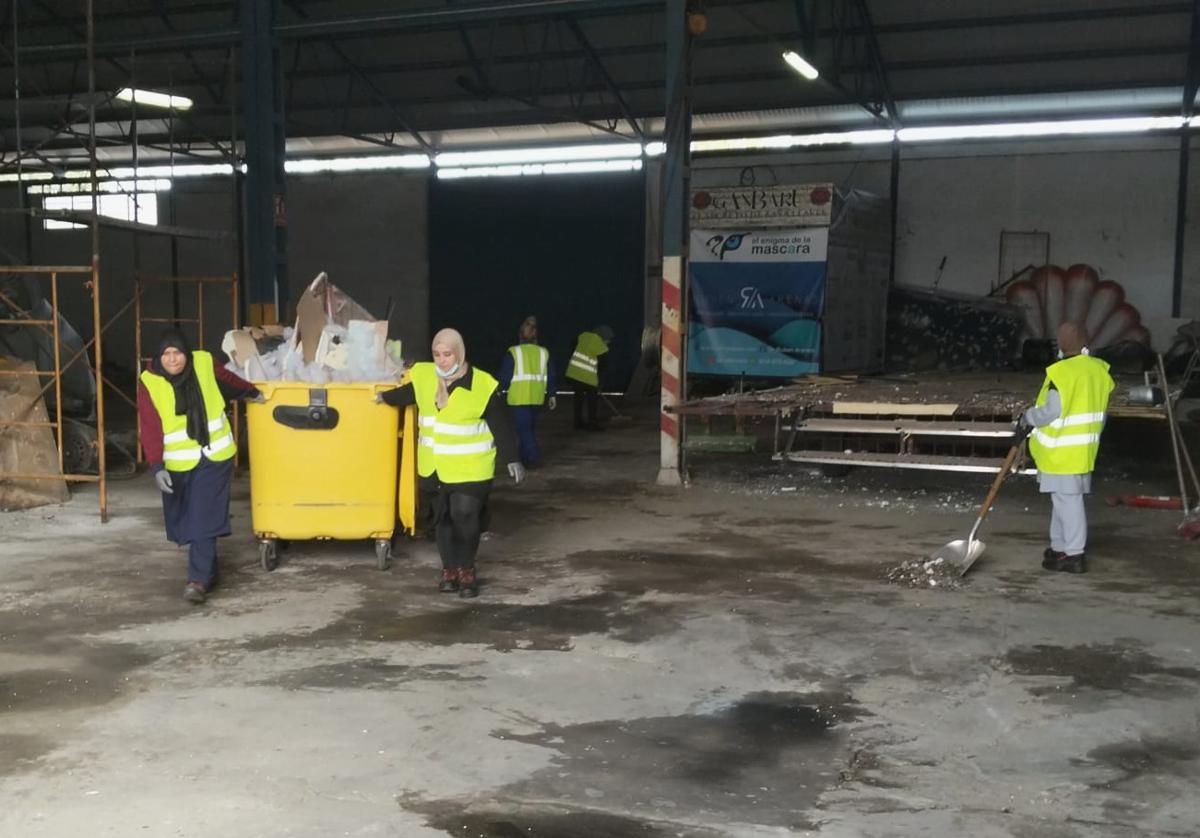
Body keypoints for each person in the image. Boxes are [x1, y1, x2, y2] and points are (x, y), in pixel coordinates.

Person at [378, 328, 523, 598]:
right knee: (442, 519)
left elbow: (500, 425)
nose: (441, 360)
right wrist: (379, 397)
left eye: (447, 354)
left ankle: (467, 569)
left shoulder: (482, 384)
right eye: (436, 354)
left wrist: (512, 458)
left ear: (459, 353)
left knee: (464, 514)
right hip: (433, 466)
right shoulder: (424, 378)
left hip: (471, 468)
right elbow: (403, 396)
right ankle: (449, 570)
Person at [138, 330, 261, 604]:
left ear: (187, 353)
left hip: (214, 456)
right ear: (159, 358)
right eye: (166, 354)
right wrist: (157, 466)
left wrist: (254, 392)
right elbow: (150, 427)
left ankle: (198, 581)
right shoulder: (150, 382)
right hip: (179, 464)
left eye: (178, 353)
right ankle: (209, 569)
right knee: (186, 519)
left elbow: (229, 382)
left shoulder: (204, 363)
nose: (173, 359)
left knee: (201, 516)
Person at [1022, 321, 1114, 574]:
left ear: (1060, 345)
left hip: (1060, 451)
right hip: (1083, 449)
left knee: (1068, 503)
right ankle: (1060, 545)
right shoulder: (1099, 371)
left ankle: (1074, 554)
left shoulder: (1061, 374)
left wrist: (1027, 417)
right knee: (1062, 500)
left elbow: (1051, 411)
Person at [499, 315, 557, 468]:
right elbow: (550, 374)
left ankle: (533, 457)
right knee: (528, 429)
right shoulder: (544, 353)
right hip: (537, 397)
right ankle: (524, 458)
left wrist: (500, 389)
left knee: (524, 431)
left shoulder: (514, 352)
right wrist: (551, 394)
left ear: (520, 335)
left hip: (518, 398)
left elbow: (506, 375)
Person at [565, 324, 613, 431]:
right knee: (592, 401)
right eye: (608, 340)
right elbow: (602, 366)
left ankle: (577, 423)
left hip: (573, 373)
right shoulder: (601, 345)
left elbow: (573, 344)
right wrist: (599, 383)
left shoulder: (583, 336)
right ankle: (592, 423)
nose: (609, 343)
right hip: (588, 378)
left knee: (578, 399)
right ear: (603, 337)